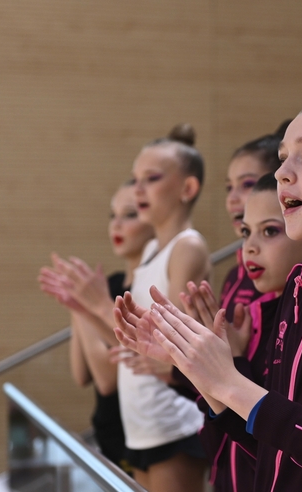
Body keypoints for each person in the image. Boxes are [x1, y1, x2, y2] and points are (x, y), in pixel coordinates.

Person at [115, 91, 302, 491]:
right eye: (282, 158)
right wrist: (199, 369)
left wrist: (229, 381)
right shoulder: (299, 286)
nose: (281, 174)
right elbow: (278, 446)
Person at [182, 174, 302, 491]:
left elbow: (277, 440)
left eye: (270, 231)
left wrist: (234, 361)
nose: (248, 248)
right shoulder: (252, 311)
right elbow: (222, 430)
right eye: (246, 232)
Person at [114, 123, 211, 492]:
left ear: (187, 189)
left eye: (151, 178)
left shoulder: (187, 246)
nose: (138, 189)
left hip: (175, 418)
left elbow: (178, 337)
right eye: (135, 179)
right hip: (144, 421)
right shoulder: (151, 250)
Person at [38, 183, 154, 470]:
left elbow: (107, 380)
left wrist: (86, 306)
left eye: (129, 215)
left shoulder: (150, 290)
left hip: (141, 430)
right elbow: (81, 375)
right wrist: (77, 307)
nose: (116, 224)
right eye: (112, 215)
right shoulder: (109, 285)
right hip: (108, 429)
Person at [220, 122, 292, 320]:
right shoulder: (235, 275)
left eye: (248, 184)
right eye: (229, 187)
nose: (232, 198)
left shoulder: (283, 276)